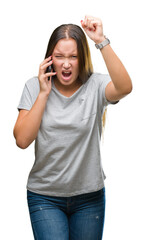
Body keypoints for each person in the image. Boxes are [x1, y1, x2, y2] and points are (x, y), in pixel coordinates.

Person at [13, 15, 132, 240]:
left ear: (82, 59)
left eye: (73, 57)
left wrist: (101, 41)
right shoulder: (33, 87)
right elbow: (22, 140)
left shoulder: (95, 85)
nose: (66, 63)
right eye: (59, 56)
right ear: (50, 59)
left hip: (89, 198)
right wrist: (44, 93)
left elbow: (125, 87)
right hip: (44, 196)